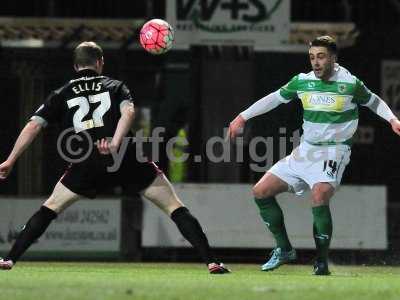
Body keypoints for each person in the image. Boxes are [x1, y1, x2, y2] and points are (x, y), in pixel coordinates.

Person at [0, 41, 230, 274]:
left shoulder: (62, 92)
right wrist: (116, 141)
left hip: (86, 162)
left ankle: (9, 259)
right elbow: (128, 112)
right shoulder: (115, 85)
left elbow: (33, 126)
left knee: (48, 209)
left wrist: (10, 160)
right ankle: (211, 261)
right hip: (126, 158)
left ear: (75, 65)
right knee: (175, 207)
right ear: (100, 62)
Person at [227, 36, 400, 275]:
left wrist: (392, 119)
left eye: (321, 57)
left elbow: (374, 101)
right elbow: (274, 99)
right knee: (260, 191)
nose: (315, 62)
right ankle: (284, 249)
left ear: (333, 58)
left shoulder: (349, 84)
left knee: (319, 194)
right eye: (311, 57)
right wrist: (242, 116)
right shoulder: (303, 82)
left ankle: (321, 261)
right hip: (306, 150)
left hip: (335, 149)